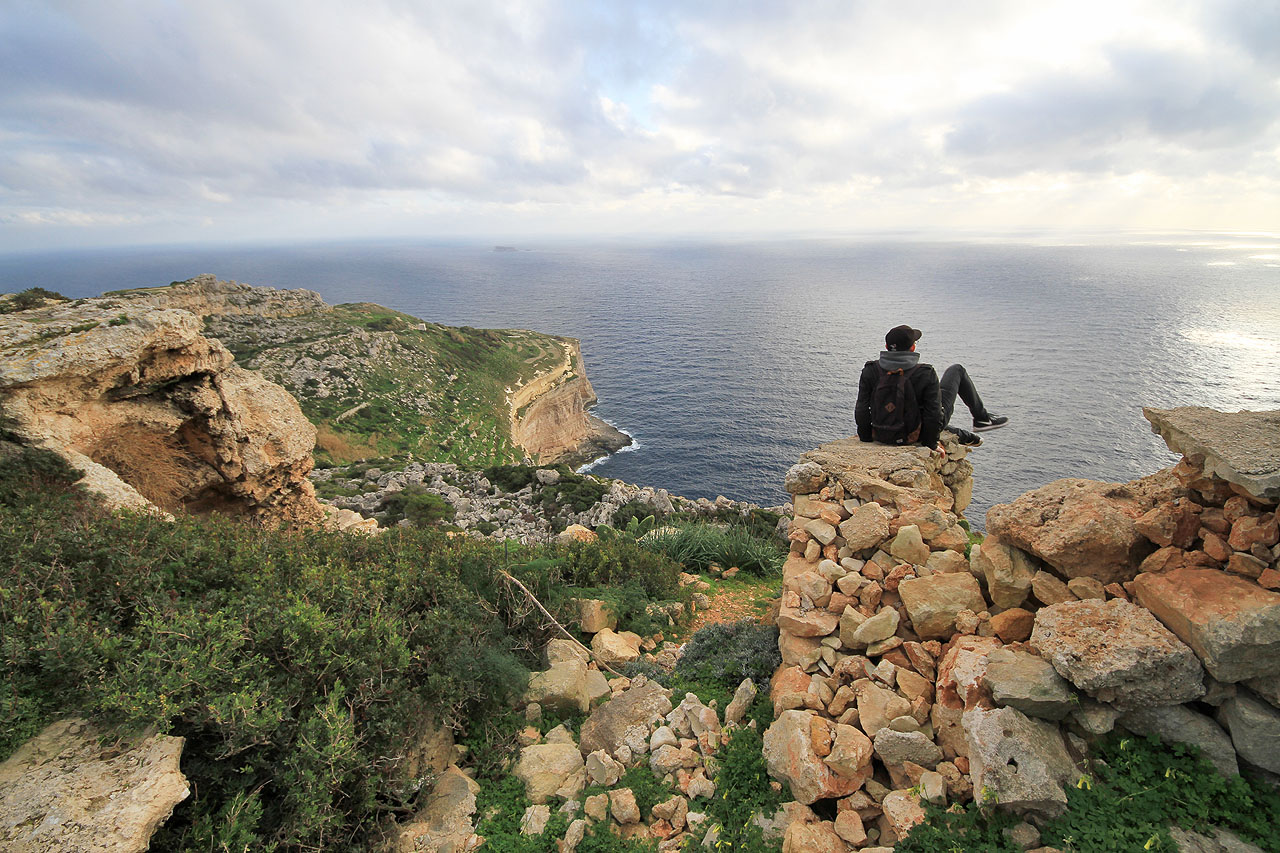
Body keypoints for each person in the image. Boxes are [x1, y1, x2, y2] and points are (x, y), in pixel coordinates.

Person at [855, 324, 1008, 452]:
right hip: (915, 435)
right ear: (913, 347)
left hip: (881, 432)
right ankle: (982, 419)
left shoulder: (870, 370)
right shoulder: (925, 373)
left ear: (887, 347)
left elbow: (861, 408)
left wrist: (866, 437)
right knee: (956, 370)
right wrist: (931, 444)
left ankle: (966, 435)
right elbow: (933, 414)